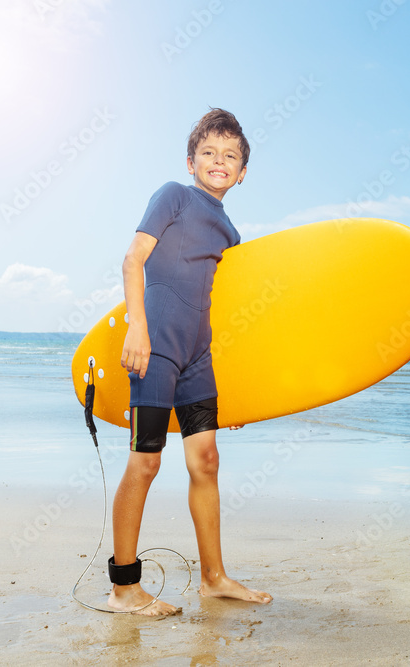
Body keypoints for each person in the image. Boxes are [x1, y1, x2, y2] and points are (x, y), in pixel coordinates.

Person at [108, 108, 272, 616]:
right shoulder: (173, 196)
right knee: (147, 461)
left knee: (206, 462)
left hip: (198, 358)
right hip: (155, 349)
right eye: (208, 153)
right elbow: (133, 258)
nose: (218, 162)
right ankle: (123, 588)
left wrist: (238, 390)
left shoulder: (229, 232)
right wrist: (138, 326)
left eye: (230, 156)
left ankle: (214, 578)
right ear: (191, 160)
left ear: (242, 172)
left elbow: (222, 313)